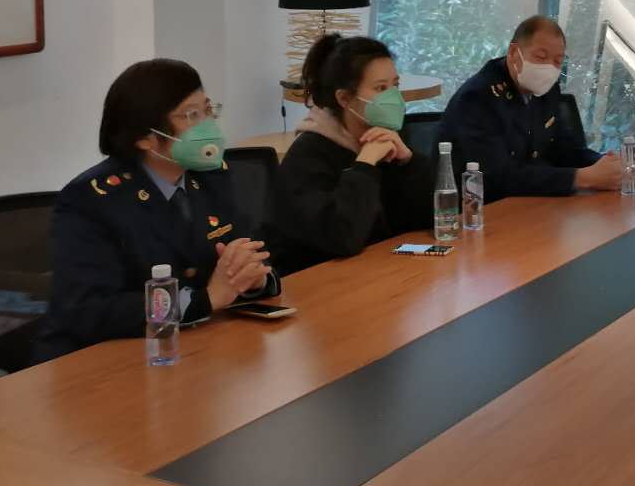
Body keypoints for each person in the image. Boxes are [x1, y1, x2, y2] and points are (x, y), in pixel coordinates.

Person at [35, 59, 279, 363]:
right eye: (191, 115)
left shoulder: (211, 176)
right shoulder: (91, 200)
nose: (207, 124)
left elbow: (245, 251)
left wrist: (253, 279)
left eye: (207, 110)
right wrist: (205, 300)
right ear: (143, 137)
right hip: (100, 362)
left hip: (194, 348)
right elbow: (89, 309)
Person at [272, 34, 433, 273]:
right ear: (344, 98)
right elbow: (342, 239)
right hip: (317, 281)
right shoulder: (308, 155)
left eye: (395, 86)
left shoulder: (388, 138)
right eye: (381, 88)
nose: (394, 97)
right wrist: (365, 164)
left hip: (379, 272)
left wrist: (409, 162)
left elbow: (431, 217)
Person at [438, 15, 623, 199]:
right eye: (541, 57)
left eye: (557, 61)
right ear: (513, 53)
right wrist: (580, 178)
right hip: (482, 208)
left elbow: (563, 149)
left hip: (535, 202)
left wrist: (604, 165)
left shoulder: (547, 91)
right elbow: (496, 177)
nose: (549, 68)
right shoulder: (478, 98)